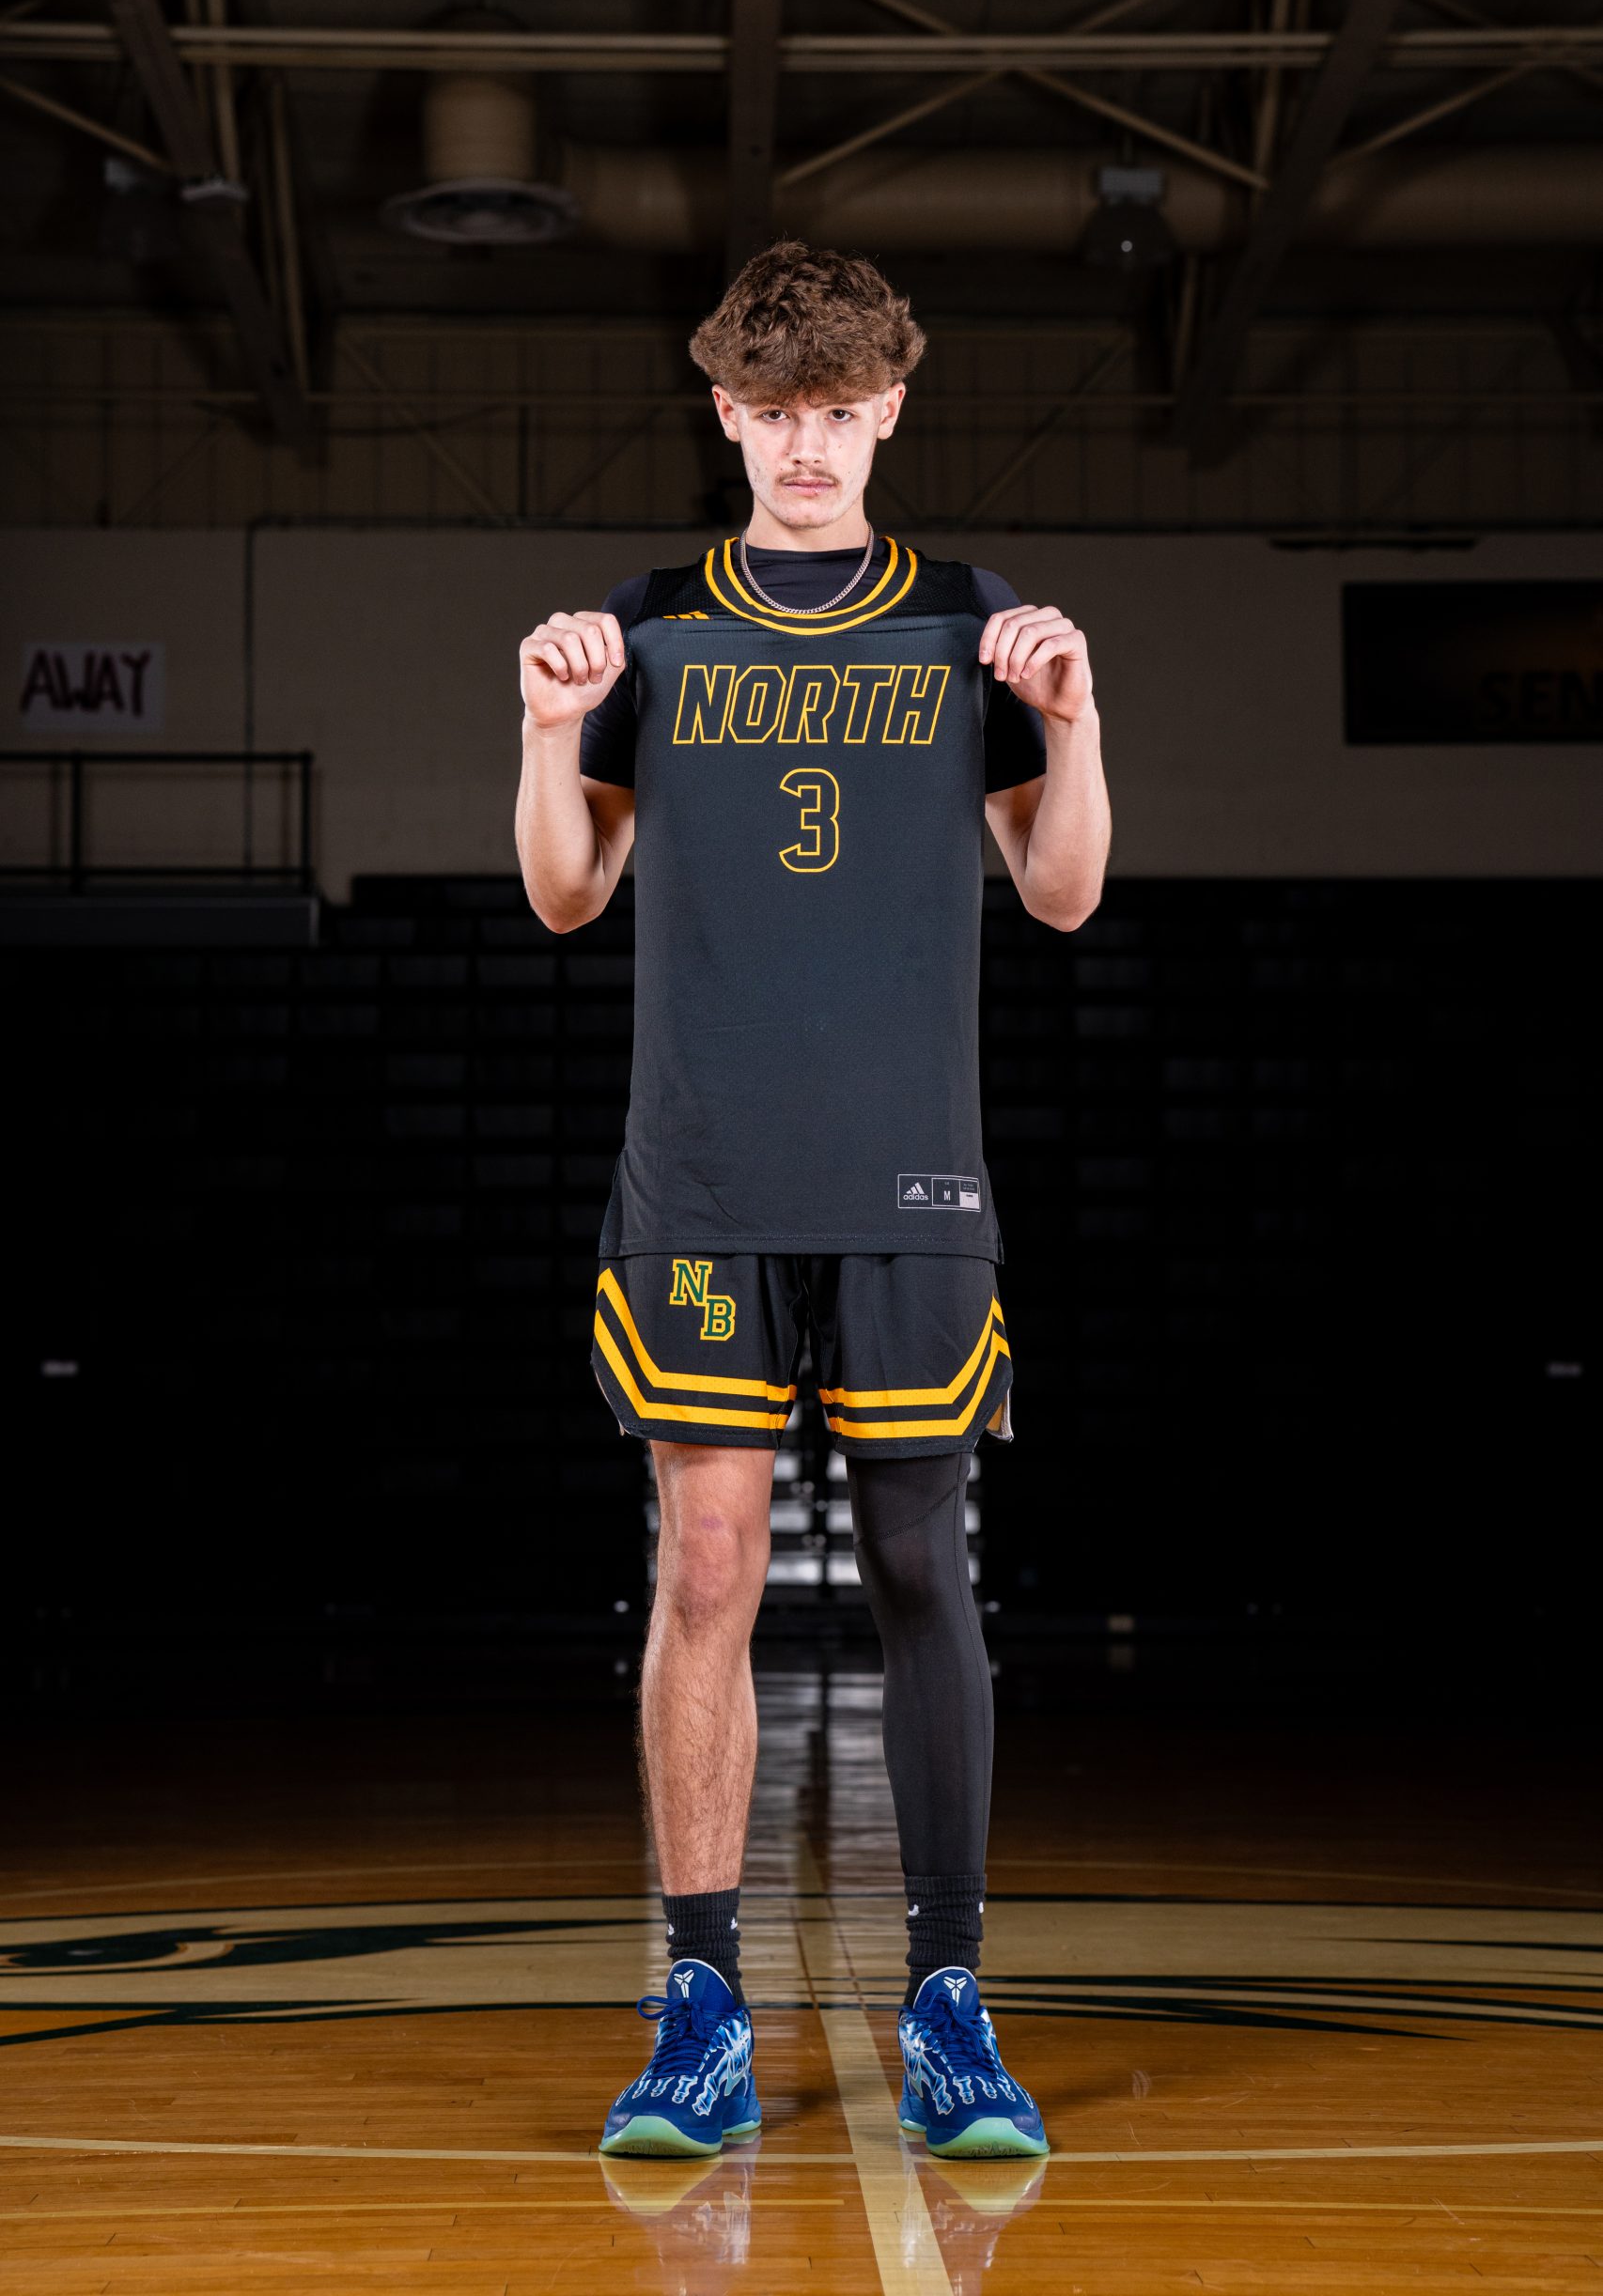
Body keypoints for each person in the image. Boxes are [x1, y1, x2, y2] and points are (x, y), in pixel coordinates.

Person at [515, 240, 1110, 2160]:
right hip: (701, 1175)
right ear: (724, 411)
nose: (802, 447)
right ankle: (696, 2001)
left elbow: (1064, 891)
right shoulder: (649, 629)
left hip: (909, 1173)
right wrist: (543, 732)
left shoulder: (968, 621)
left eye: (836, 413)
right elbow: (563, 893)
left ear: (889, 413)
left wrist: (1076, 722)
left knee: (925, 1564)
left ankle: (950, 2003)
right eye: (772, 412)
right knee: (706, 1566)